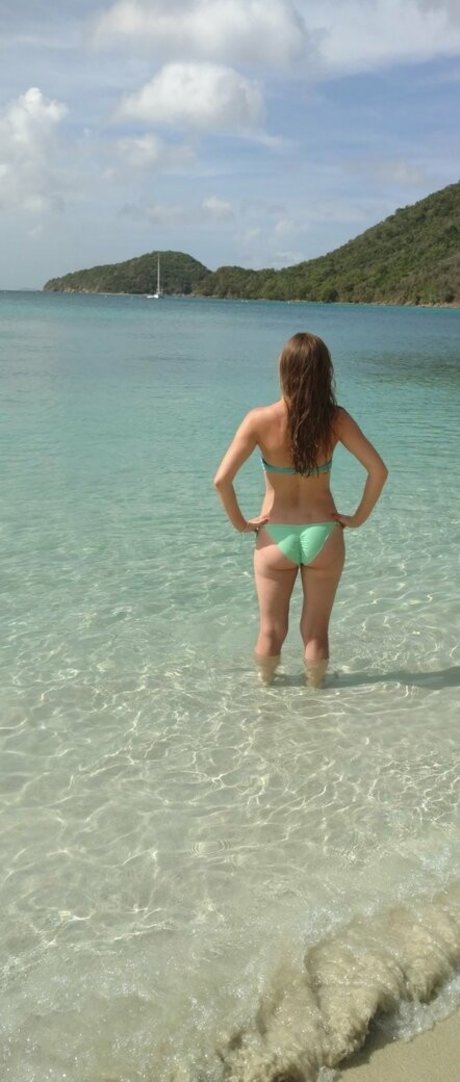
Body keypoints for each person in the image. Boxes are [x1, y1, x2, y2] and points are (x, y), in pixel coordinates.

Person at [213, 332, 388, 688]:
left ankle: (265, 692)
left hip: (274, 535)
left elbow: (221, 481)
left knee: (270, 630)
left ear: (283, 369)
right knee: (316, 632)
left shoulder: (259, 420)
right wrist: (357, 518)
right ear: (325, 372)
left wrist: (241, 524)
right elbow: (378, 471)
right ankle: (315, 698)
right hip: (324, 533)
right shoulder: (336, 420)